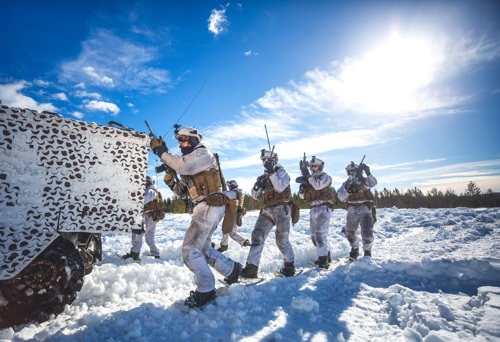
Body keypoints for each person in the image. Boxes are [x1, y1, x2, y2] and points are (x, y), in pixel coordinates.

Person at [150, 126, 242, 308]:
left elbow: (183, 164)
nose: (181, 144)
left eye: (184, 140)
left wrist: (162, 152)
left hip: (210, 206)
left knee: (190, 250)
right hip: (206, 207)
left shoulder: (203, 154)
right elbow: (182, 193)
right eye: (179, 141)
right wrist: (171, 180)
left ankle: (206, 290)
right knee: (203, 249)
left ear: (194, 140)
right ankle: (231, 270)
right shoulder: (192, 163)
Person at [240, 149, 296, 278]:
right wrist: (257, 186)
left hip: (282, 208)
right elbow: (255, 196)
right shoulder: (263, 176)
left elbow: (280, 186)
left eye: (266, 159)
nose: (264, 162)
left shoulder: (282, 172)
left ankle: (289, 267)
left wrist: (272, 172)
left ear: (273, 160)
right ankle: (251, 269)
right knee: (257, 236)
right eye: (263, 160)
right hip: (266, 209)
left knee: (281, 240)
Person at [297, 156, 335, 269]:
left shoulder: (326, 177)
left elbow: (318, 186)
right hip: (313, 208)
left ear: (320, 166)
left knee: (320, 234)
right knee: (313, 236)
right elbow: (302, 197)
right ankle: (324, 255)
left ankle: (323, 261)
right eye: (310, 166)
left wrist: (307, 176)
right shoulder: (310, 180)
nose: (312, 168)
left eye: (315, 166)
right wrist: (302, 189)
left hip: (324, 207)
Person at [337, 161, 377, 260]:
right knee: (350, 231)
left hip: (364, 206)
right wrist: (348, 191)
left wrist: (368, 172)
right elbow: (341, 197)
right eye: (350, 170)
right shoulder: (346, 184)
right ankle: (354, 249)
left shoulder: (364, 180)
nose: (352, 172)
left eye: (353, 170)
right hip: (351, 208)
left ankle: (367, 251)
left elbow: (373, 183)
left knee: (367, 231)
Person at [122, 176, 161, 261]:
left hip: (150, 216)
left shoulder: (150, 191)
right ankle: (155, 254)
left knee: (138, 234)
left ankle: (134, 254)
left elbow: (142, 201)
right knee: (149, 236)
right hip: (152, 216)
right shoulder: (152, 190)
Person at [217, 180, 250, 252]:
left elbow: (224, 194)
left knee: (231, 233)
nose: (229, 187)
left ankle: (244, 242)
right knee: (226, 230)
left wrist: (219, 190)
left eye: (229, 186)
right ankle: (223, 246)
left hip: (234, 214)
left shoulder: (235, 192)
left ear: (232, 186)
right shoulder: (238, 192)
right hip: (232, 214)